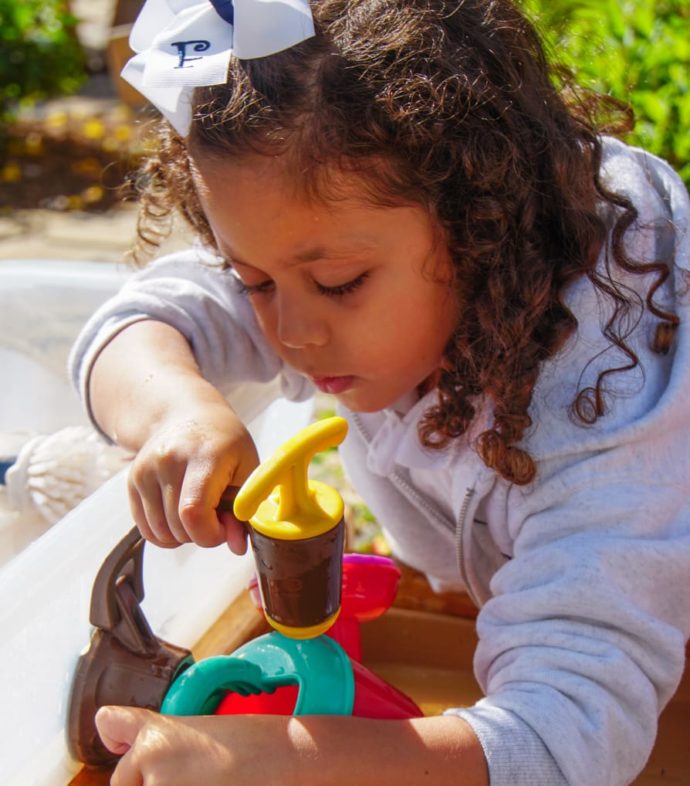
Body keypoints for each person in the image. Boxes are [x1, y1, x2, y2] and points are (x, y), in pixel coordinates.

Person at [69, 0, 690, 784]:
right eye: (252, 280)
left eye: (339, 283)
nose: (291, 331)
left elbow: (571, 731)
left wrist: (298, 765)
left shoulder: (610, 396)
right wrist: (176, 410)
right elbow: (137, 323)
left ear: (479, 225)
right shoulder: (328, 253)